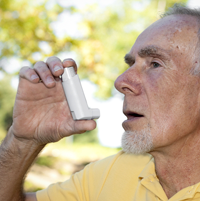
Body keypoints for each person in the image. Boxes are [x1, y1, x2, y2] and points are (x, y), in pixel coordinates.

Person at [1, 3, 200, 201]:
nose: (121, 81)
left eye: (155, 64)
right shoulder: (107, 175)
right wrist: (24, 140)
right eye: (131, 64)